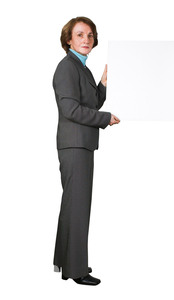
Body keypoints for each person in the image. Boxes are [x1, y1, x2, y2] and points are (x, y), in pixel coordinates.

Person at [52, 16, 120, 285]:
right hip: (74, 145)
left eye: (90, 35)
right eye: (80, 35)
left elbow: (89, 103)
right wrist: (106, 118)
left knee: (73, 206)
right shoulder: (67, 68)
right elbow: (70, 110)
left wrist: (102, 84)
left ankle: (70, 265)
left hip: (79, 145)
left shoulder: (81, 68)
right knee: (78, 207)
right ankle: (77, 270)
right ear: (68, 39)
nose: (86, 40)